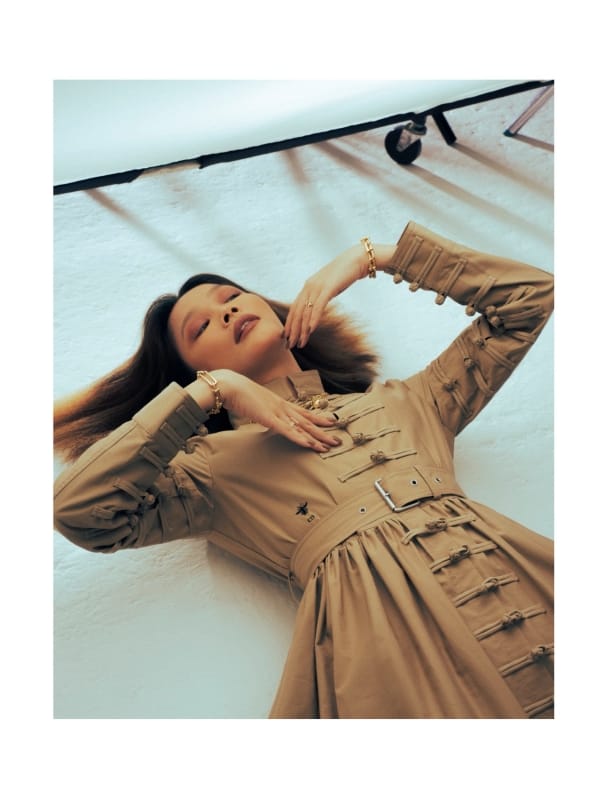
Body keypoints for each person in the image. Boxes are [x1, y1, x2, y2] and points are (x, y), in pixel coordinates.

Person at [53, 220, 554, 719]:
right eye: (201, 328)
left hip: (527, 587)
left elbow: (530, 299)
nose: (226, 311)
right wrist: (212, 391)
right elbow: (77, 512)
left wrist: (374, 257)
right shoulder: (209, 469)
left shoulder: (410, 401)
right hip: (398, 655)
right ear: (191, 373)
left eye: (232, 296)